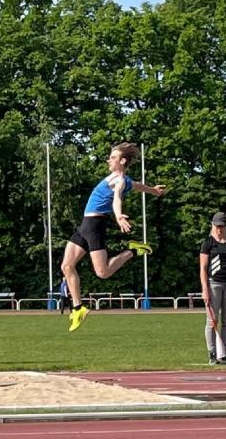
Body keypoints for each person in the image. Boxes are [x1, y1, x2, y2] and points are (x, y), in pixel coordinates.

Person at [61, 142, 166, 332]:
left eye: (113, 157)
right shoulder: (122, 179)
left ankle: (133, 251)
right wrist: (153, 190)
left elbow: (117, 197)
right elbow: (136, 186)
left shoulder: (118, 180)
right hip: (85, 225)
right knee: (67, 266)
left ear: (122, 161)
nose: (108, 159)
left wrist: (118, 216)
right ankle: (78, 308)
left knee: (103, 272)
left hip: (95, 226)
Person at [199, 212, 226, 364]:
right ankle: (212, 352)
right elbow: (203, 268)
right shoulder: (208, 243)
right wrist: (205, 289)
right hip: (214, 284)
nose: (219, 229)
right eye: (216, 226)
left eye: (221, 227)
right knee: (212, 320)